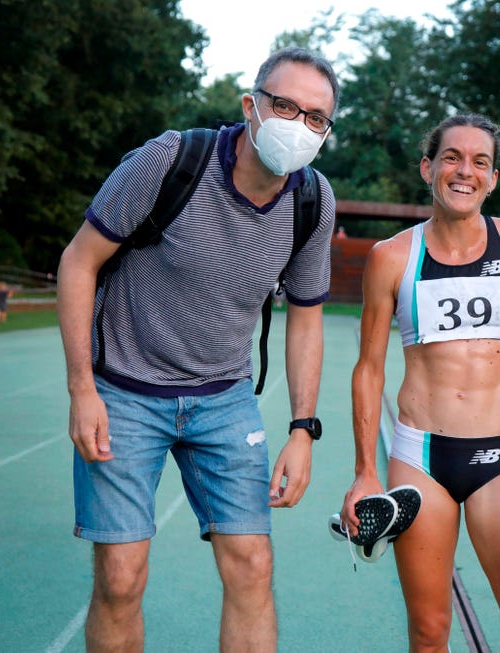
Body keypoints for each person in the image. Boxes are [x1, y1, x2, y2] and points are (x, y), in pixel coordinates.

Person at [56, 47, 338, 652]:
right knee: (122, 578)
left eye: (316, 117)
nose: (298, 124)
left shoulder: (312, 201)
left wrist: (301, 429)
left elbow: (306, 319)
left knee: (252, 567)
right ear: (251, 106)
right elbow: (79, 263)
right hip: (124, 392)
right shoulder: (170, 160)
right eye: (284, 105)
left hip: (224, 398)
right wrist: (82, 388)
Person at [341, 113, 500, 652]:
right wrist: (365, 472)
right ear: (428, 168)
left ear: (492, 179)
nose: (466, 171)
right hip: (419, 456)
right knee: (429, 631)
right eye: (452, 158)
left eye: (480, 162)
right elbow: (369, 368)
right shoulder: (390, 257)